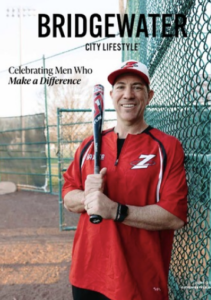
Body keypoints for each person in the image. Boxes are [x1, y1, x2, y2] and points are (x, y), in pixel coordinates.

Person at [62, 60, 188, 300]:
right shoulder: (89, 144)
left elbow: (174, 216)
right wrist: (86, 196)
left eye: (137, 87)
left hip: (138, 281)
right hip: (87, 274)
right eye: (121, 87)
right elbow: (68, 195)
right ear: (111, 95)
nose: (128, 94)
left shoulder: (167, 147)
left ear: (149, 96)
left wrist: (116, 210)